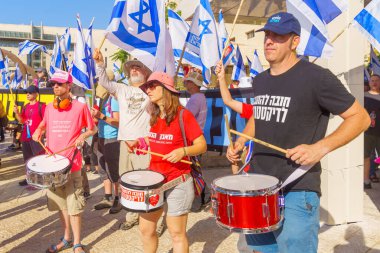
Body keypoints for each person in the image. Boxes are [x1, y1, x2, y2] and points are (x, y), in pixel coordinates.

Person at [217, 12, 370, 253]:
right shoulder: (261, 80)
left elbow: (360, 118)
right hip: (258, 186)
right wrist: (241, 142)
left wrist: (320, 148)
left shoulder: (317, 77)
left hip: (297, 187)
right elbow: (260, 116)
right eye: (267, 35)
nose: (269, 40)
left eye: (277, 36)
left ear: (295, 41)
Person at [134, 71, 207, 253]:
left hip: (178, 180)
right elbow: (157, 139)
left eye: (152, 86)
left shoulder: (184, 116)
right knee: (146, 229)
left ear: (166, 90)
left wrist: (183, 150)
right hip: (154, 181)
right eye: (147, 87)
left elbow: (202, 145)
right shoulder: (155, 115)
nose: (148, 90)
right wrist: (141, 142)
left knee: (176, 233)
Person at [32, 70, 97, 253]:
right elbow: (44, 124)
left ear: (69, 86)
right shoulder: (49, 107)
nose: (56, 87)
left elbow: (92, 129)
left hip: (72, 164)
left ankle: (77, 243)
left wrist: (83, 135)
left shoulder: (80, 107)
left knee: (74, 205)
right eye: (54, 84)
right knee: (61, 206)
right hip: (52, 164)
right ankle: (66, 238)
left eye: (59, 84)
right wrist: (39, 130)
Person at [93, 49, 152, 230]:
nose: (134, 70)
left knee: (147, 182)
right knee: (127, 182)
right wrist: (100, 64)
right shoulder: (122, 89)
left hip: (144, 145)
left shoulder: (152, 90)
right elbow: (104, 82)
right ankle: (132, 215)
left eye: (138, 67)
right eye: (132, 67)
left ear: (146, 72)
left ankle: (153, 217)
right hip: (125, 143)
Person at [183, 71, 210, 211]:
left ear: (193, 84)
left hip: (193, 139)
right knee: (195, 169)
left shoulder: (195, 99)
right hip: (197, 137)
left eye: (188, 81)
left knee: (194, 170)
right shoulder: (200, 97)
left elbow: (186, 117)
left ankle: (201, 198)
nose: (186, 84)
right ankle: (202, 197)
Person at [91, 90, 121, 214]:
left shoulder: (113, 99)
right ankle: (108, 196)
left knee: (113, 170)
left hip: (112, 138)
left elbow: (118, 122)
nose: (98, 87)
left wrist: (101, 116)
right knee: (102, 169)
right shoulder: (100, 99)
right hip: (101, 136)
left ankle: (118, 198)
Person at [13, 85, 46, 186]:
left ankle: (41, 179)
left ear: (36, 94)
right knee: (27, 159)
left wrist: (41, 133)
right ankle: (29, 178)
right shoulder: (26, 106)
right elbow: (22, 121)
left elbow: (46, 122)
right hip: (25, 137)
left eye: (30, 92)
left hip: (37, 138)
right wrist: (17, 113)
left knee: (39, 158)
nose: (28, 94)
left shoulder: (42, 106)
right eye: (27, 92)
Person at [363, 73, 380, 189]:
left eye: (376, 81)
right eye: (372, 80)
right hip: (367, 132)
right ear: (369, 83)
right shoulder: (363, 96)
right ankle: (366, 180)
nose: (374, 82)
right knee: (366, 157)